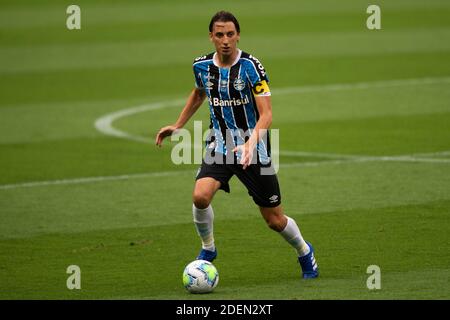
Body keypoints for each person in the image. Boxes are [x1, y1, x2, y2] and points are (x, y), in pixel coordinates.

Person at [156, 11, 318, 279]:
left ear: (238, 35)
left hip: (255, 151)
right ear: (211, 37)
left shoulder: (252, 67)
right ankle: (208, 249)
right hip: (219, 146)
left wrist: (250, 144)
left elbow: (266, 114)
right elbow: (199, 92)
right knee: (200, 196)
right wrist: (178, 124)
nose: (225, 40)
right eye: (219, 34)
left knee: (274, 220)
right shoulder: (201, 66)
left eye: (230, 34)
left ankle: (304, 250)